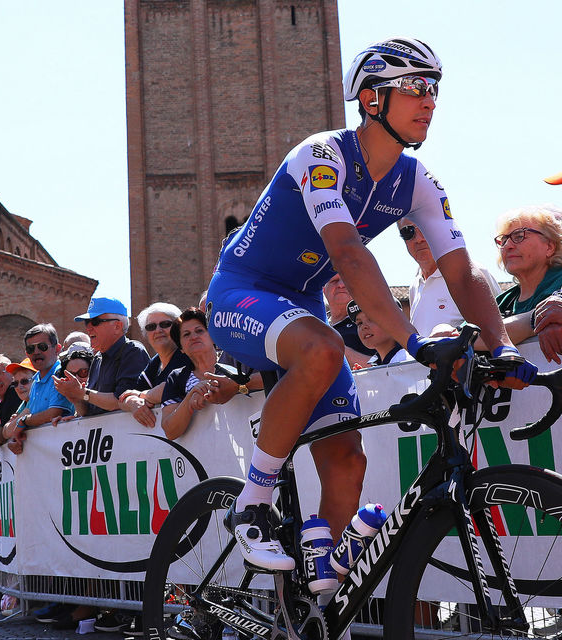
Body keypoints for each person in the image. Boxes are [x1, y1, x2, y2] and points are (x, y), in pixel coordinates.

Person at [205, 37, 536, 571]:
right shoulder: (321, 154)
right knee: (323, 347)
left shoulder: (417, 181)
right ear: (371, 99)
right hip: (241, 291)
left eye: (435, 90)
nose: (430, 101)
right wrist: (414, 341)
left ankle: (319, 592)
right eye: (416, 87)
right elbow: (347, 252)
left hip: (301, 304)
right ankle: (252, 506)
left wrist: (500, 344)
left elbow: (462, 272)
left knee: (345, 459)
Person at [397, 217, 501, 336]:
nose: (419, 239)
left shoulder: (472, 272)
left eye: (426, 229)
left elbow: (500, 332)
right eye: (407, 232)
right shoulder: (415, 286)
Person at [157, 308, 250, 439]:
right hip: (204, 455)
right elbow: (170, 431)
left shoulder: (235, 359)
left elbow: (268, 380)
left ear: (212, 336)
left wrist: (235, 386)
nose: (194, 337)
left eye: (199, 330)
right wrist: (191, 397)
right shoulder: (177, 377)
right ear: (181, 348)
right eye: (186, 334)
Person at [55, 297, 150, 416]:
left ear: (117, 326)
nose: (88, 328)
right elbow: (89, 410)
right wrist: (75, 399)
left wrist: (82, 393)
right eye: (86, 322)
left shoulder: (133, 351)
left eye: (95, 322)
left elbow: (121, 401)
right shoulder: (97, 358)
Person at [493, 205, 562, 363]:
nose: (508, 246)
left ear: (550, 247)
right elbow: (469, 336)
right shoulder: (504, 301)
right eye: (503, 239)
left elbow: (485, 334)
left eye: (519, 236)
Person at [118, 303, 193, 427]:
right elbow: (123, 398)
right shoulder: (155, 364)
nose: (158, 330)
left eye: (165, 324)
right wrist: (132, 402)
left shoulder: (187, 355)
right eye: (151, 327)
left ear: (178, 328)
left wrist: (140, 395)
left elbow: (170, 388)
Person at [322, 273, 376, 368]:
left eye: (346, 280)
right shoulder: (316, 324)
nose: (341, 285)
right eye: (334, 281)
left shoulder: (372, 323)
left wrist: (337, 348)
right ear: (323, 289)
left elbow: (381, 366)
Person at [346, 300, 410, 367]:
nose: (363, 327)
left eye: (371, 319)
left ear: (395, 321)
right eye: (359, 323)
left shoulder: (408, 361)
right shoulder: (374, 363)